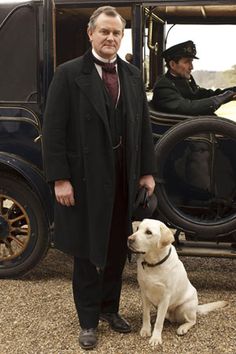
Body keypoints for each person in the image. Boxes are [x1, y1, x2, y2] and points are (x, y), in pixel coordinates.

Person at [42, 6, 156, 351]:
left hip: (124, 175)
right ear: (90, 34)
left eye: (116, 33)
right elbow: (53, 131)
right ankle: (88, 321)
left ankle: (111, 310)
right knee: (86, 251)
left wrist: (147, 171)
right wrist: (60, 179)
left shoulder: (133, 75)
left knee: (118, 246)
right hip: (85, 178)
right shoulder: (67, 74)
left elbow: (144, 127)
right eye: (104, 31)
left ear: (122, 37)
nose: (110, 38)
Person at [152, 40, 236, 115]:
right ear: (172, 64)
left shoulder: (183, 81)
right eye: (187, 62)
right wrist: (219, 99)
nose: (191, 67)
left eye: (191, 61)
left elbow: (204, 95)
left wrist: (231, 91)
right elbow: (189, 107)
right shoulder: (163, 86)